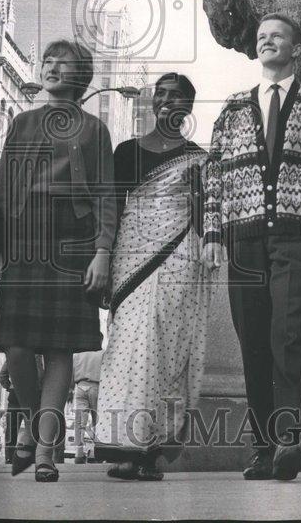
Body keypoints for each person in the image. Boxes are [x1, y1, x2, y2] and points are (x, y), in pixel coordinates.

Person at [204, 13, 301, 481]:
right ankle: (262, 449)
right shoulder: (231, 106)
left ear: (296, 47)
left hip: (297, 236)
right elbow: (213, 176)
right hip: (242, 237)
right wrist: (211, 236)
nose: (268, 41)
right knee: (253, 343)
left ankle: (288, 439)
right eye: (261, 36)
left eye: (277, 36)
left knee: (288, 336)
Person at [0, 39, 116, 483]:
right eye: (47, 60)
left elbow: (104, 193)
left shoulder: (95, 130)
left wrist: (103, 251)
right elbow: (3, 189)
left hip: (74, 237)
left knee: (59, 347)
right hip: (25, 234)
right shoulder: (22, 123)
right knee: (19, 346)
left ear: (80, 75)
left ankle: (45, 449)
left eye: (61, 63)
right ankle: (33, 423)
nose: (50, 67)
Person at [95, 73, 219, 481]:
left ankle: (150, 450)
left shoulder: (200, 158)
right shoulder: (127, 151)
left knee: (165, 349)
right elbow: (112, 208)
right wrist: (104, 259)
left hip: (179, 259)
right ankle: (125, 445)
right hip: (132, 256)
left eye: (176, 96)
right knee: (127, 345)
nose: (166, 101)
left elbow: (204, 218)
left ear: (188, 106)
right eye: (160, 95)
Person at [71, 350, 101, 465]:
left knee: (79, 423)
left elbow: (72, 372)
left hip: (80, 386)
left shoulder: (77, 354)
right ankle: (95, 451)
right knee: (96, 421)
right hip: (96, 386)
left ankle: (79, 453)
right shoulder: (102, 354)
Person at [0, 364, 23, 464]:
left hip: (15, 394)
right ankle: (35, 456)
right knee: (35, 426)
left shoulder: (15, 351)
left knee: (12, 428)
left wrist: (9, 386)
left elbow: (3, 374)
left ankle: (9, 457)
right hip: (35, 393)